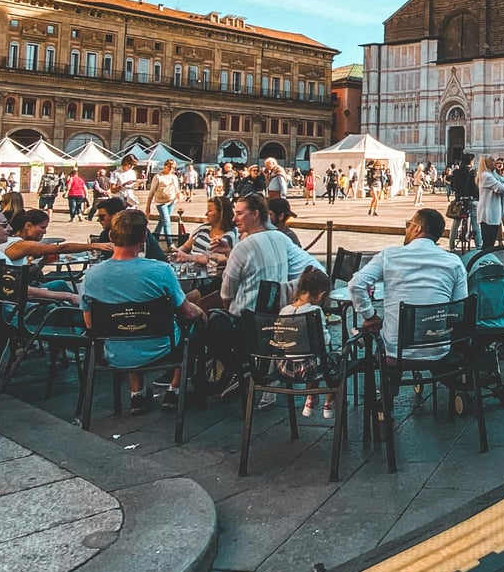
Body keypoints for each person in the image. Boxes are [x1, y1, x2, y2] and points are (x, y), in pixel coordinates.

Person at [80, 208, 203, 414]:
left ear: (111, 236)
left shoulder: (92, 275)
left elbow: (90, 323)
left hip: (114, 353)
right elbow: (187, 313)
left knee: (126, 325)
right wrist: (201, 311)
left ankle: (136, 393)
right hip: (162, 349)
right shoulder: (160, 271)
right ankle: (175, 387)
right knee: (196, 322)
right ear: (144, 237)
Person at [201, 192, 323, 382]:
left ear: (256, 214)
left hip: (246, 324)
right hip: (273, 320)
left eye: (240, 213)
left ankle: (235, 367)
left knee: (208, 321)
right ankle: (239, 368)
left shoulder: (244, 246)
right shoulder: (280, 238)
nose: (234, 219)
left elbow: (226, 294)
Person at [349, 207, 467, 364]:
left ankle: (388, 386)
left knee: (384, 332)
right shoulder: (454, 262)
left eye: (408, 225)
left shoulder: (389, 255)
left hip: (396, 351)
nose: (407, 229)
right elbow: (459, 308)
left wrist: (370, 316)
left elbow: (356, 284)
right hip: (439, 348)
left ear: (417, 229)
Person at [284, 265, 337, 420]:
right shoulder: (314, 312)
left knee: (309, 356)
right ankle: (328, 403)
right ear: (321, 295)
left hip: (286, 367)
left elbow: (278, 338)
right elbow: (325, 341)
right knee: (336, 360)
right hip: (310, 369)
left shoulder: (284, 310)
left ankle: (310, 399)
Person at [477, 157, 504, 251]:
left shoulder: (493, 175)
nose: (495, 162)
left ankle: (487, 260)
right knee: (488, 243)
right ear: (486, 164)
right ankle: (484, 261)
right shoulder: (486, 176)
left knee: (490, 242)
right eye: (492, 160)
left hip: (493, 212)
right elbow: (502, 189)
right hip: (488, 214)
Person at [146, 159, 182, 248]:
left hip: (171, 201)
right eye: (169, 167)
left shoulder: (174, 177)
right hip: (161, 202)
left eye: (173, 167)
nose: (170, 169)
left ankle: (153, 240)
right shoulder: (158, 177)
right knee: (166, 221)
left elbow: (177, 189)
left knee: (162, 222)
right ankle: (170, 243)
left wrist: (179, 195)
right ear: (165, 166)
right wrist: (148, 207)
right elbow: (151, 192)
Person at [448, 154, 481, 249]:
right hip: (472, 200)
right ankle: (479, 246)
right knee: (476, 223)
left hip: (460, 201)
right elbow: (477, 188)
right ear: (471, 162)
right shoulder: (474, 173)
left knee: (456, 223)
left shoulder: (456, 172)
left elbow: (453, 186)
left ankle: (451, 247)